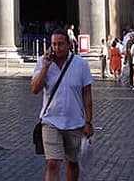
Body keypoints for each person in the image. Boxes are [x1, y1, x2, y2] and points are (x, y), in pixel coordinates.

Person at [27, 28, 93, 181]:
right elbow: (35, 89)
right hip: (51, 121)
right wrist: (45, 67)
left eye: (60, 44)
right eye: (54, 44)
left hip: (75, 122)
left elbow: (87, 94)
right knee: (52, 163)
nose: (57, 48)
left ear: (69, 44)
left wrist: (89, 121)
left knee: (72, 163)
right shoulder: (43, 63)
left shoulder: (81, 64)